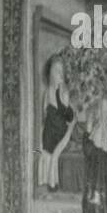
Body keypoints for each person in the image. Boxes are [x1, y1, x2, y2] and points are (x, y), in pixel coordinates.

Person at [39, 54, 76, 191]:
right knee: (43, 149)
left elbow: (67, 116)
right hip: (49, 129)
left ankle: (53, 183)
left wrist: (59, 96)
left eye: (60, 71)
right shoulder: (47, 92)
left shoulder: (64, 92)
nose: (58, 74)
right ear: (50, 73)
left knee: (54, 153)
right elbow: (44, 114)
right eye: (55, 70)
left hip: (61, 131)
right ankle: (46, 183)